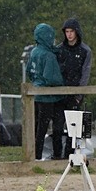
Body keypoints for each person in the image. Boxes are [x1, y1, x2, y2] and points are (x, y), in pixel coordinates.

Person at [26, 23, 65, 161]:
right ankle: (56, 154)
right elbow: (52, 78)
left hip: (36, 96)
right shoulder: (48, 55)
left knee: (37, 128)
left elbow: (29, 71)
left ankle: (34, 155)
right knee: (52, 128)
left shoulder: (34, 52)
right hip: (48, 98)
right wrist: (63, 83)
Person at [55, 17, 93, 159]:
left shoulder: (85, 51)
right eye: (67, 31)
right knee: (58, 126)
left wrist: (79, 95)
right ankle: (57, 155)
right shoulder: (59, 50)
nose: (69, 34)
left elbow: (85, 73)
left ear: (76, 32)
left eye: (71, 31)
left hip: (76, 94)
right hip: (60, 94)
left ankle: (70, 155)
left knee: (74, 128)